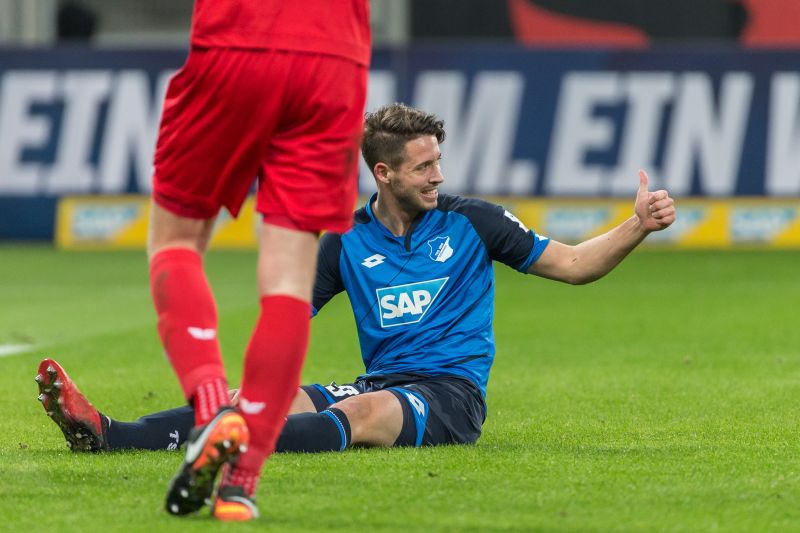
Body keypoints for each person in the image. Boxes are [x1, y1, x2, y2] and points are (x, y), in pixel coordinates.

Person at [37, 102, 676, 483]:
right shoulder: (346, 242)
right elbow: (289, 315)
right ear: (384, 172)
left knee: (362, 420)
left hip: (450, 395)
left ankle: (229, 447)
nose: (438, 176)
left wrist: (638, 224)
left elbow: (571, 264)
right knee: (264, 400)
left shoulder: (473, 222)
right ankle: (110, 433)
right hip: (380, 381)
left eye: (438, 163)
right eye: (423, 166)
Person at [140, 0, 370, 521]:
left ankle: (212, 404)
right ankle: (240, 484)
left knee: (175, 242)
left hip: (240, 37)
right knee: (289, 279)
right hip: (335, 60)